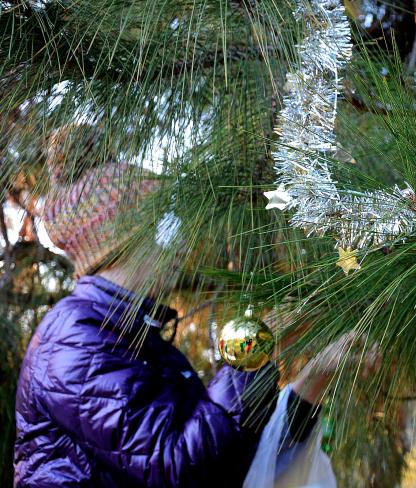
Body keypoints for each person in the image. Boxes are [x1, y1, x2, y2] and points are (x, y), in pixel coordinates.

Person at [13, 125, 370, 487]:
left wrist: (310, 384)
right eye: (166, 225)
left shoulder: (135, 339)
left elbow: (228, 463)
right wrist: (255, 345)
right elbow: (178, 468)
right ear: (124, 243)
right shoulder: (74, 339)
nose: (182, 244)